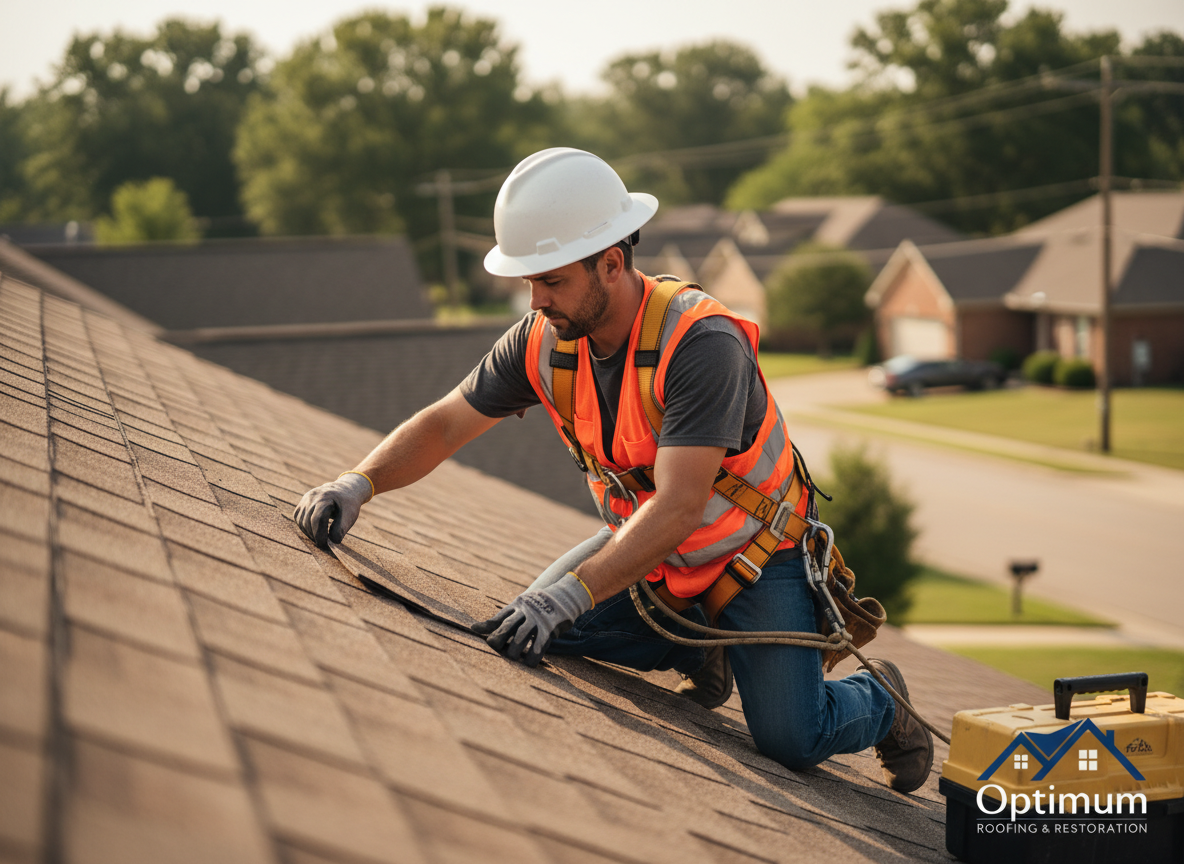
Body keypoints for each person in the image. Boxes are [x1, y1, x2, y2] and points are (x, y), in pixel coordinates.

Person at [295, 148, 933, 793]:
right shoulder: (543, 338)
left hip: (756, 555)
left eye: (552, 280)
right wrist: (359, 482)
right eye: (530, 282)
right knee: (528, 630)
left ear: (611, 263)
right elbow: (446, 422)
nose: (537, 300)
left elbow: (682, 506)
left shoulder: (702, 344)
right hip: (651, 551)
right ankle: (697, 644)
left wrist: (574, 592)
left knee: (792, 737)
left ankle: (880, 701)